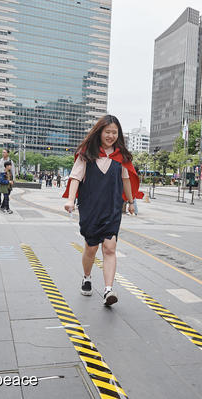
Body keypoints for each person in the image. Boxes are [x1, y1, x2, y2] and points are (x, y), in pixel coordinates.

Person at [63, 115, 143, 306]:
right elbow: (75, 177)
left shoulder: (121, 157)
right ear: (99, 132)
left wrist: (131, 202)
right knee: (91, 248)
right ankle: (87, 277)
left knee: (109, 248)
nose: (111, 136)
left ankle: (108, 290)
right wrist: (70, 200)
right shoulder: (86, 154)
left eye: (114, 132)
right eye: (107, 132)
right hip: (90, 207)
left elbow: (126, 180)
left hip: (112, 208)